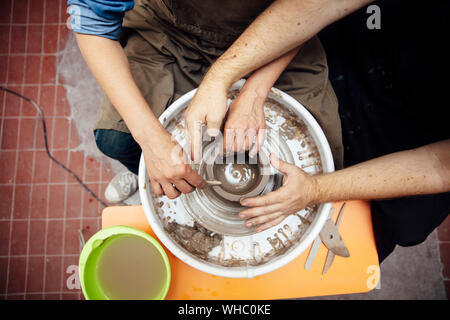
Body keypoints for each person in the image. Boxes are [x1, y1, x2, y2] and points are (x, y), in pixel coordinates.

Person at [185, 0, 450, 262]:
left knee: (394, 227)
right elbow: (319, 5)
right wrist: (238, 86)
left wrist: (314, 190)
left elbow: (440, 166)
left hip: (419, 131)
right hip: (367, 31)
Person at [68, 0, 343, 203]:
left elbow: (310, 9)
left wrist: (254, 93)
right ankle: (155, 183)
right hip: (170, 29)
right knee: (116, 139)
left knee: (322, 164)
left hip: (274, 38)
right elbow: (93, 24)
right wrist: (151, 141)